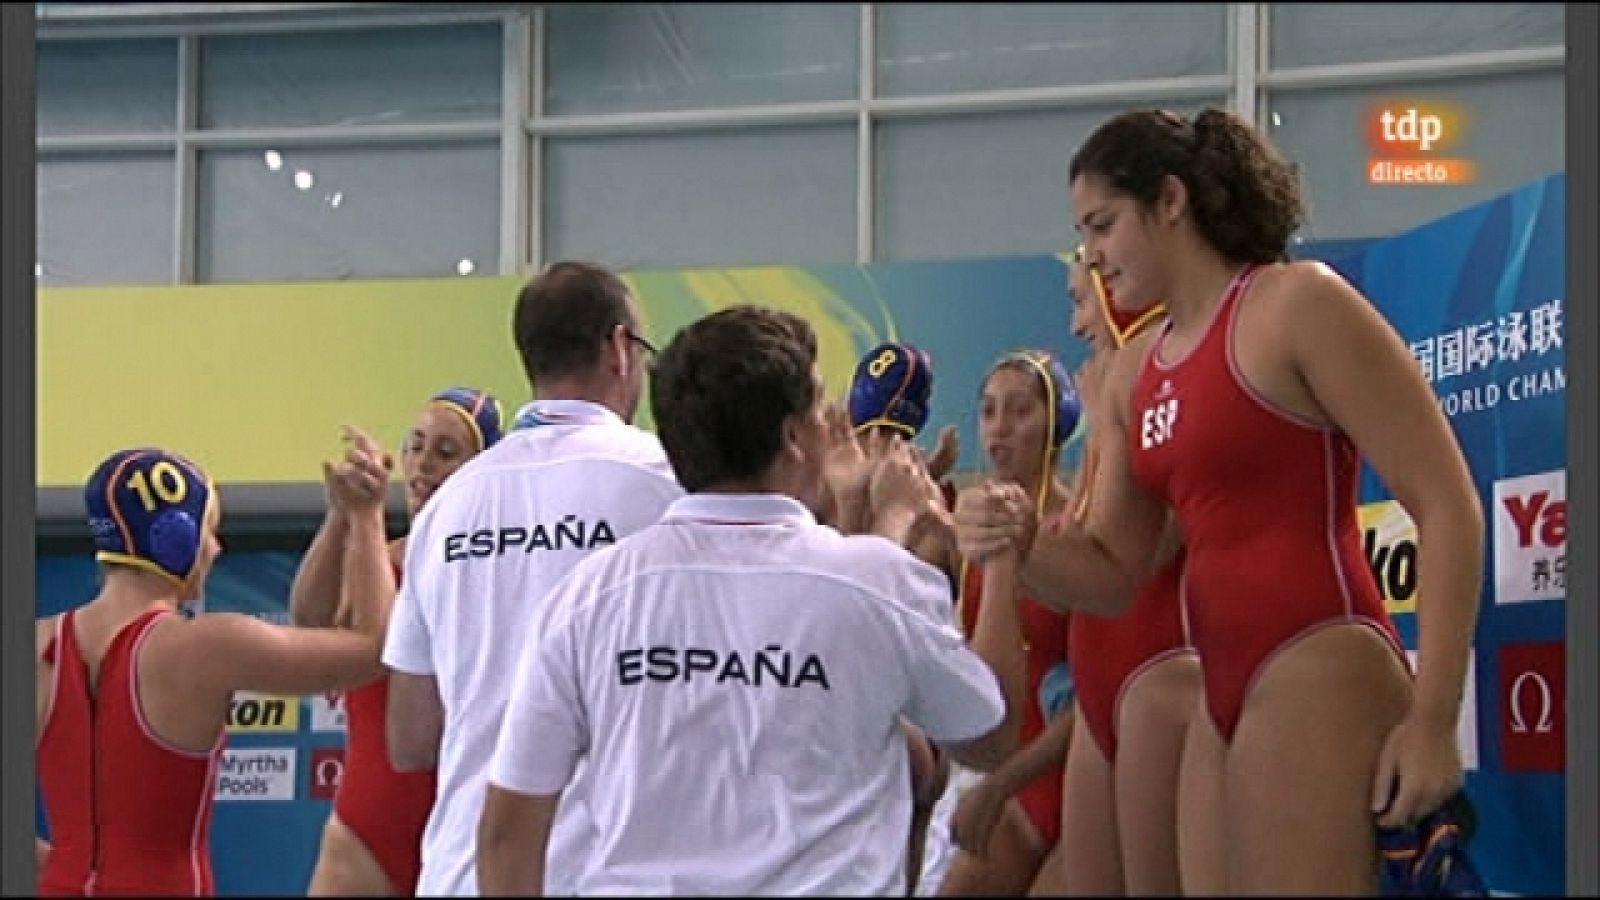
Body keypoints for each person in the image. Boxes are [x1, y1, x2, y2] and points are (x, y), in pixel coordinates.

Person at [954, 106, 1482, 894]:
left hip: (1319, 660)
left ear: (1171, 201)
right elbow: (1112, 573)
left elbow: (1445, 502)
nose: (1093, 257)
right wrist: (1015, 538)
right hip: (1222, 689)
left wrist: (1435, 717)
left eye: (1103, 225)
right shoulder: (1139, 372)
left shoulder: (1296, 305)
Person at [476, 304, 1013, 896]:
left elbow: (508, 835)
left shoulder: (589, 596)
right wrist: (1000, 554)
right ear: (793, 436)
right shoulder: (880, 579)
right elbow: (989, 736)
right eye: (818, 409)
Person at [380, 261, 685, 897]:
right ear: (620, 349)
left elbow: (410, 737)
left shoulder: (447, 508)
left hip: (464, 871)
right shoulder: (667, 481)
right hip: (612, 871)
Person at [36, 445, 392, 896]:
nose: (216, 547)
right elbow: (376, 649)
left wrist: (66, 869)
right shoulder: (206, 646)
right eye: (209, 530)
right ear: (175, 538)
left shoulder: (36, 644)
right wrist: (366, 517)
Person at [295, 387, 505, 896]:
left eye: (446, 452)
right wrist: (342, 514)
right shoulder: (378, 559)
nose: (423, 464)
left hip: (467, 825)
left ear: (483, 469)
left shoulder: (495, 573)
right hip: (370, 825)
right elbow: (311, 619)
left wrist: (365, 520)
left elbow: (386, 637)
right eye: (415, 446)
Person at [1035, 251, 1200, 895]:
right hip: (1098, 675)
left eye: (1084, 300)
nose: (1077, 322)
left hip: (1155, 663)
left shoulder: (1167, 387)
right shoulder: (1111, 385)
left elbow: (1134, 556)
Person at [941, 348, 1082, 897]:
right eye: (989, 411)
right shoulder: (973, 537)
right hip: (997, 775)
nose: (1000, 428)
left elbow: (1097, 695)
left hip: (1058, 778)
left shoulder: (1081, 539)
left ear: (1060, 422)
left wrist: (1001, 785)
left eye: (1020, 411)